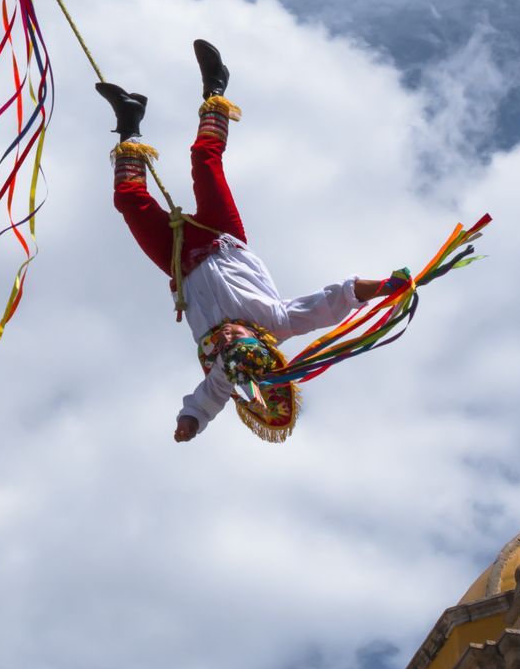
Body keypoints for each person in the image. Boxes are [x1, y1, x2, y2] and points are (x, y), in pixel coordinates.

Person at [97, 40, 399, 444]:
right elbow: (334, 301)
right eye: (235, 342)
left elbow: (205, 401)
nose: (224, 340)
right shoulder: (279, 322)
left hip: (179, 262)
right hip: (222, 237)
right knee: (204, 162)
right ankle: (216, 88)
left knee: (128, 201)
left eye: (224, 348)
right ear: (261, 344)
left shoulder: (225, 370)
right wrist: (382, 288)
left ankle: (130, 121)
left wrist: (189, 423)